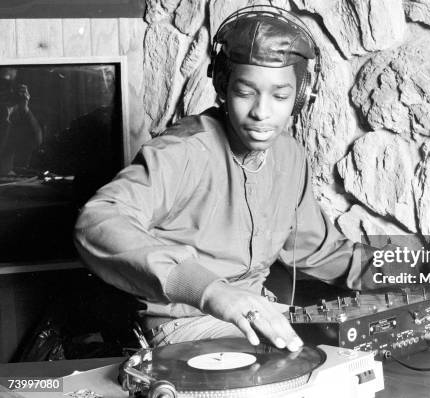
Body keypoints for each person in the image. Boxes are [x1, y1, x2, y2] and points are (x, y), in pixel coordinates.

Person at [74, 6, 375, 353]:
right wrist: (212, 291)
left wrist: (421, 271)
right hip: (183, 326)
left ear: (302, 96)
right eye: (245, 92)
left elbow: (322, 251)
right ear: (222, 85)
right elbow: (98, 219)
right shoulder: (182, 151)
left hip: (262, 314)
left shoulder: (290, 156)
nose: (262, 112)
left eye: (279, 96)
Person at [0, 67, 43, 175]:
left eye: (13, 85)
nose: (10, 91)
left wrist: (25, 109)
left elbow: (38, 142)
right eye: (4, 84)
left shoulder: (15, 113)